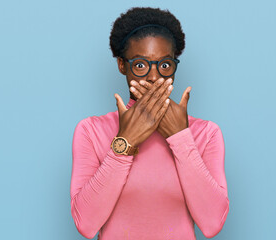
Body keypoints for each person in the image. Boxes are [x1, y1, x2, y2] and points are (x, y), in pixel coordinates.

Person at [70, 7, 230, 240]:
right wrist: (125, 142)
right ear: (122, 65)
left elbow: (212, 224)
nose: (154, 77)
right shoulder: (91, 131)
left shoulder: (206, 134)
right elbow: (86, 224)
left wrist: (181, 138)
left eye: (164, 65)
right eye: (141, 65)